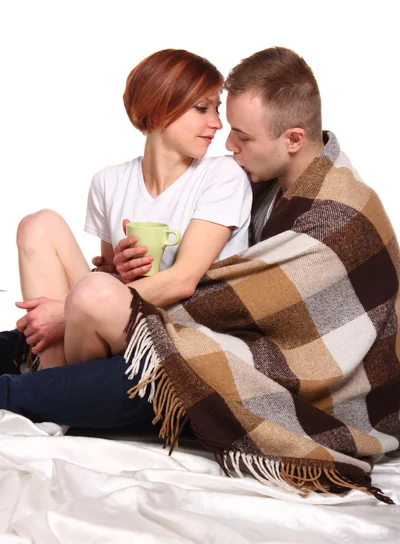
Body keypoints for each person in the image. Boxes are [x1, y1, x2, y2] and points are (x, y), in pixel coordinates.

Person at [1, 47, 399, 502]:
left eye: (242, 136)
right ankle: (44, 382)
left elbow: (211, 293)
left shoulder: (336, 217)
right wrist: (113, 277)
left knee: (126, 363)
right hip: (169, 326)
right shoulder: (270, 178)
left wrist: (89, 300)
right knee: (25, 333)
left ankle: (30, 394)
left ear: (292, 138)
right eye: (220, 121)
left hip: (273, 371)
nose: (228, 144)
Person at [15, 49, 252, 369]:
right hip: (113, 320)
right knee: (38, 225)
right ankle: (52, 381)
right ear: (158, 111)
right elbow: (110, 280)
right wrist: (118, 271)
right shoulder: (108, 182)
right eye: (202, 108)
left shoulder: (222, 176)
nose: (217, 123)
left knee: (91, 292)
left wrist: (65, 312)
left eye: (216, 109)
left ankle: (55, 392)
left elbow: (184, 280)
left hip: (179, 329)